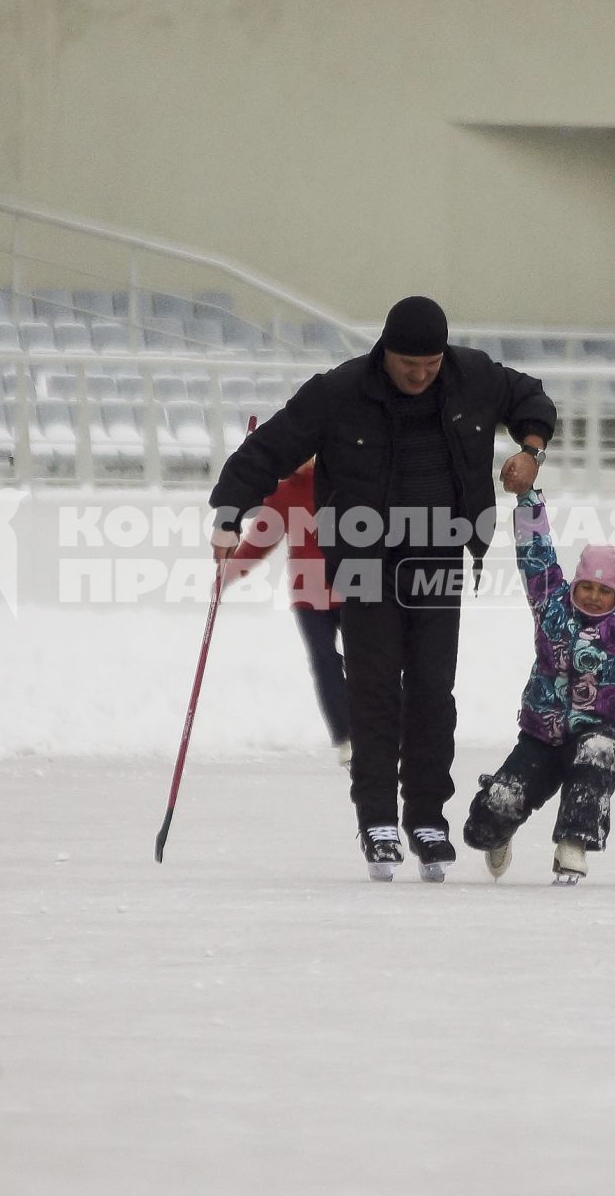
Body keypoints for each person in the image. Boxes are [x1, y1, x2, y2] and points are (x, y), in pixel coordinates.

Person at [209, 295, 557, 881]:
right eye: (407, 364)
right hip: (364, 556)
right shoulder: (341, 390)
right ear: (385, 352)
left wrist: (530, 450)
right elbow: (270, 446)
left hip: (439, 551)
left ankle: (426, 815)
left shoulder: (472, 375)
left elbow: (531, 397)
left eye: (430, 364)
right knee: (372, 689)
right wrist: (227, 513)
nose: (420, 375)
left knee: (431, 689)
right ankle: (376, 817)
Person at [463, 488, 615, 885]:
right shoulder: (551, 604)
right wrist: (527, 498)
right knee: (492, 813)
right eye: (588, 587)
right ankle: (498, 830)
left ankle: (573, 844)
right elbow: (536, 554)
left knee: (596, 758)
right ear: (575, 584)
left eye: (606, 592)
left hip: (597, 730)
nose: (595, 597)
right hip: (541, 736)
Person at [220, 460, 351, 764]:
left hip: (352, 592)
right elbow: (259, 541)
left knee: (371, 663)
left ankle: (389, 728)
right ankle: (346, 736)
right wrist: (229, 573)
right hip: (309, 597)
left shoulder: (346, 479)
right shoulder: (284, 493)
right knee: (324, 662)